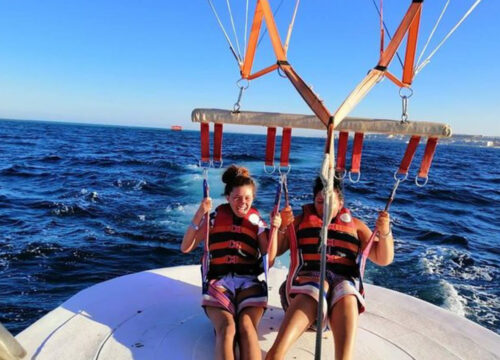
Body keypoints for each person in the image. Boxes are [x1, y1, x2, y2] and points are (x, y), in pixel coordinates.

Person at [266, 177, 394, 360]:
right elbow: (273, 253)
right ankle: (275, 354)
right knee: (317, 288)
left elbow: (383, 258)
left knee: (347, 291)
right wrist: (282, 228)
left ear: (340, 203)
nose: (324, 206)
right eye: (319, 202)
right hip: (301, 293)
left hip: (338, 305)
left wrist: (385, 232)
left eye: (330, 202)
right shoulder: (299, 221)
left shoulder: (356, 226)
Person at [181, 165, 281, 360]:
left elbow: (268, 260)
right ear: (228, 198)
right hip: (218, 283)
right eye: (236, 198)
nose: (242, 203)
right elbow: (186, 247)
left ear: (253, 199)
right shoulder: (215, 217)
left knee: (246, 327)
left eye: (247, 198)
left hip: (249, 283)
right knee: (227, 329)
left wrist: (275, 230)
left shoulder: (257, 222)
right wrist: (201, 212)